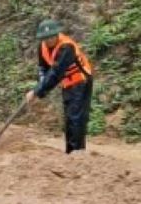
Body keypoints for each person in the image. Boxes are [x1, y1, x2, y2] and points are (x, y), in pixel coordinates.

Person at [26, 20, 94, 154]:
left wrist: (37, 91)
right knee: (68, 118)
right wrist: (39, 88)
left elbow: (55, 73)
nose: (49, 40)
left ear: (57, 34)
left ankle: (77, 151)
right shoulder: (42, 47)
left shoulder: (66, 47)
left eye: (52, 36)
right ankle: (70, 152)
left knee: (76, 116)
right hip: (67, 83)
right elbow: (43, 69)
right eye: (46, 38)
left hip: (81, 81)